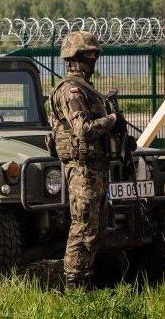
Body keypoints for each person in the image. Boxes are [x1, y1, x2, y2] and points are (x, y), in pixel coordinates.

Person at [48, 31, 117, 290]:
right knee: (83, 226)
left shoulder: (89, 90)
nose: (93, 59)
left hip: (96, 167)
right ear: (74, 58)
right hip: (81, 168)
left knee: (96, 228)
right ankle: (74, 284)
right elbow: (84, 129)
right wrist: (111, 121)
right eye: (88, 55)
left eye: (94, 54)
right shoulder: (71, 90)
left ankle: (86, 278)